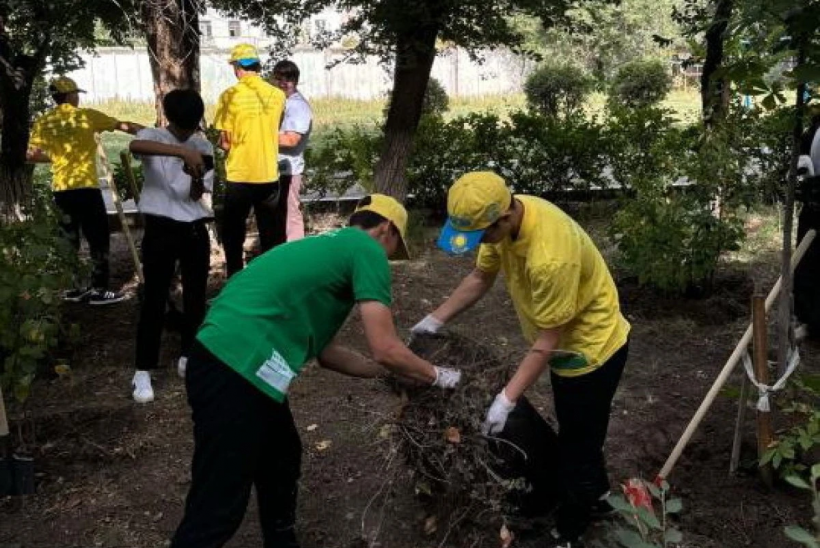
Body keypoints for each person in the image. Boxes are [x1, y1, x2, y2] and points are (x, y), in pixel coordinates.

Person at [169, 194, 461, 548]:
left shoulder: (326, 251)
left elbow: (327, 353)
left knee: (281, 457)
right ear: (387, 229)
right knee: (218, 504)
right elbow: (385, 348)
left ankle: (282, 542)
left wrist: (385, 372)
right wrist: (440, 375)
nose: (387, 259)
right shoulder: (366, 249)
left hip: (236, 361)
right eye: (393, 249)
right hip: (236, 366)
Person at [412, 172, 630, 548]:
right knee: (578, 430)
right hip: (562, 347)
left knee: (579, 442)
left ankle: (570, 530)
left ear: (504, 218)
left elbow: (549, 339)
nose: (480, 243)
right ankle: (596, 495)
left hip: (591, 351)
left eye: (481, 235)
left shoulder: (551, 257)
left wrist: (506, 399)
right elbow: (481, 276)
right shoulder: (506, 215)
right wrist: (434, 319)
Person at [127, 89, 214, 404]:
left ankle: (188, 355)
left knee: (195, 295)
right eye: (182, 127)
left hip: (193, 227)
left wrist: (196, 176)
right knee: (155, 296)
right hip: (161, 228)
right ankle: (142, 370)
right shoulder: (153, 136)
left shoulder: (203, 145)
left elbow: (196, 195)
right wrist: (181, 153)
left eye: (191, 127)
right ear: (170, 118)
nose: (187, 133)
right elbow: (135, 146)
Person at [26, 76, 144, 305]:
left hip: (61, 189)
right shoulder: (86, 116)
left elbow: (31, 155)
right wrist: (153, 133)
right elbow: (124, 126)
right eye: (76, 94)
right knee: (98, 238)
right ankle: (99, 290)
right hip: (86, 188)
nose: (77, 97)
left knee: (69, 240)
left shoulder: (43, 121)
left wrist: (59, 156)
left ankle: (74, 288)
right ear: (70, 95)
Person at [213, 43, 287, 277]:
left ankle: (236, 278)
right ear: (257, 66)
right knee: (271, 232)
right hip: (268, 173)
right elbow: (275, 127)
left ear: (237, 67)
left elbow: (225, 142)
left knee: (233, 233)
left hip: (240, 174)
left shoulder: (229, 96)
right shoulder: (277, 95)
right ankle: (272, 279)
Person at [272, 59, 312, 241]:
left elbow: (291, 140)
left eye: (288, 79)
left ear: (295, 81)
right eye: (279, 78)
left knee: (290, 215)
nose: (283, 83)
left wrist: (259, 137)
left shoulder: (298, 106)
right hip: (276, 169)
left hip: (289, 170)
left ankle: (296, 251)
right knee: (278, 216)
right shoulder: (282, 102)